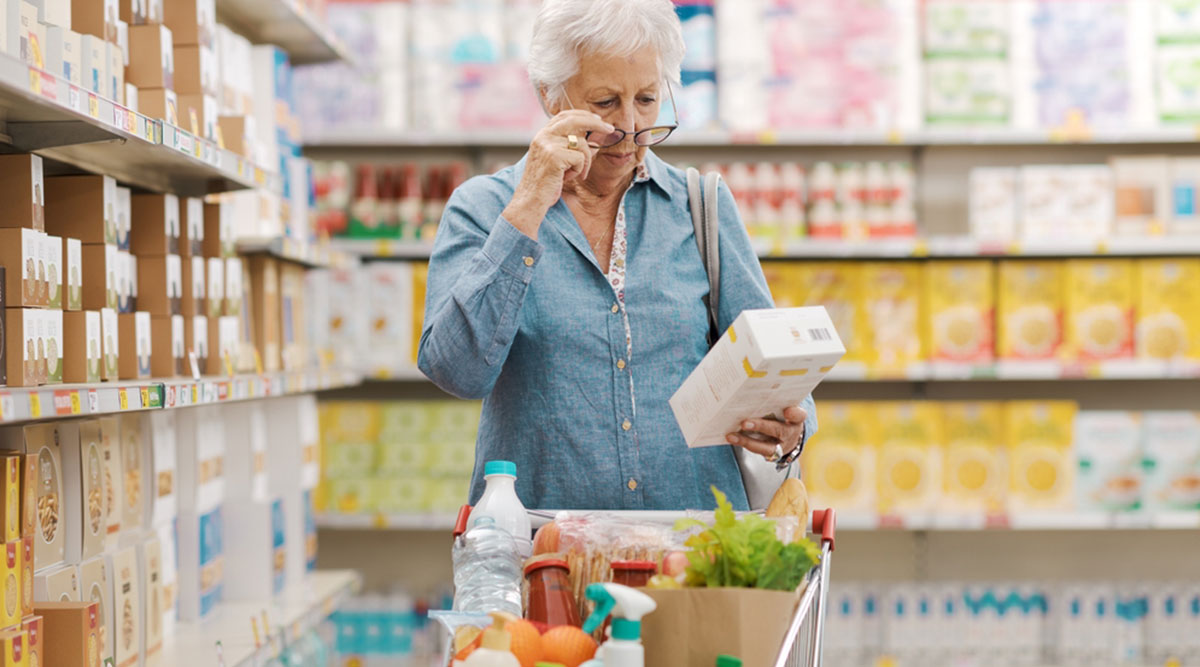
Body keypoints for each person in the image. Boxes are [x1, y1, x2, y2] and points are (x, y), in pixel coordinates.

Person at [418, 0, 816, 511]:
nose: (630, 128)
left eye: (647, 99)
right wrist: (528, 209)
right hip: (546, 555)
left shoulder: (701, 207)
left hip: (691, 553)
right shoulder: (485, 208)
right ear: (549, 96)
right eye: (605, 102)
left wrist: (789, 424)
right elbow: (457, 371)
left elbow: (773, 364)